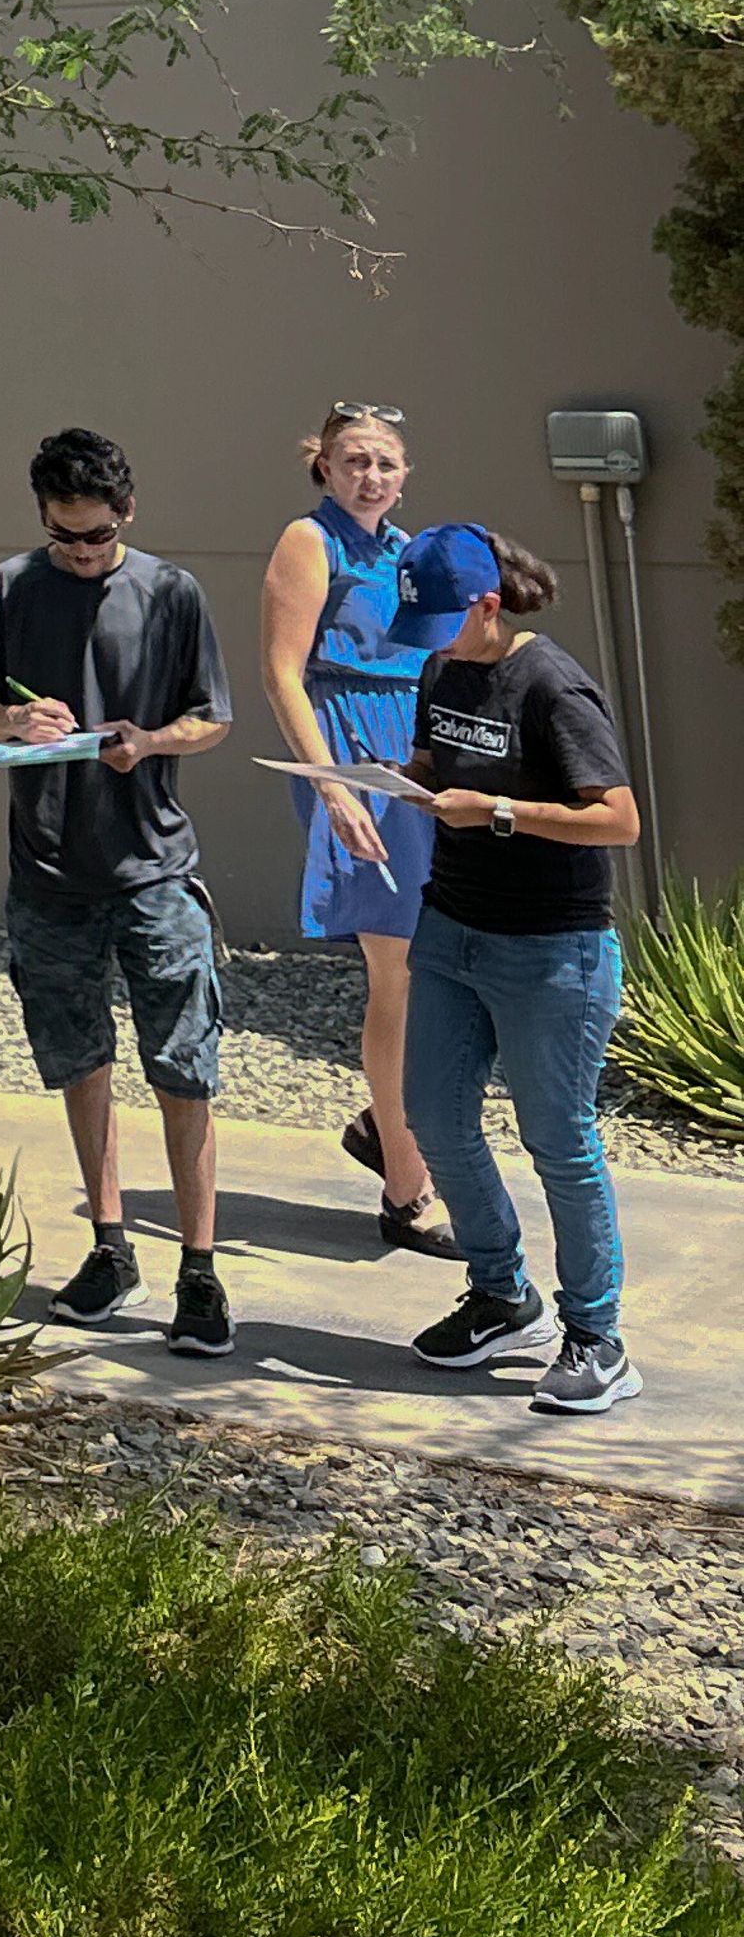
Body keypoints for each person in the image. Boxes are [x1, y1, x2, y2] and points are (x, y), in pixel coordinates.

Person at [0, 426, 235, 1349]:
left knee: (182, 1067)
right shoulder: (9, 587)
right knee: (79, 1062)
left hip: (153, 868)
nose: (80, 554)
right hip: (46, 872)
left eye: (96, 538)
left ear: (127, 515)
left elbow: (212, 718)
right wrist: (17, 718)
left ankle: (200, 1269)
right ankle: (111, 1247)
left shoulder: (171, 593)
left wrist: (149, 743)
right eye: (63, 536)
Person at [400, 534, 645, 1414]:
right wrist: (397, 779)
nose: (428, 640)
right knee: (431, 1113)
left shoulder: (553, 686)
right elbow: (435, 764)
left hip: (553, 949)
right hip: (451, 927)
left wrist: (497, 810)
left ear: (488, 607)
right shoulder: (442, 672)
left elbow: (618, 821)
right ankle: (503, 1295)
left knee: (559, 1142)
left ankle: (597, 1336)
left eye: (441, 621)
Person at [255, 406, 486, 1251]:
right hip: (348, 752)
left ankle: (387, 1128)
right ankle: (405, 1185)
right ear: (323, 465)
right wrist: (331, 790)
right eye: (355, 460)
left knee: (437, 962)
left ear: (406, 471)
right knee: (402, 967)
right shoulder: (308, 543)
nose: (371, 476)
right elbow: (282, 672)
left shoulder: (410, 551)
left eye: (386, 462)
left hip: (415, 758)